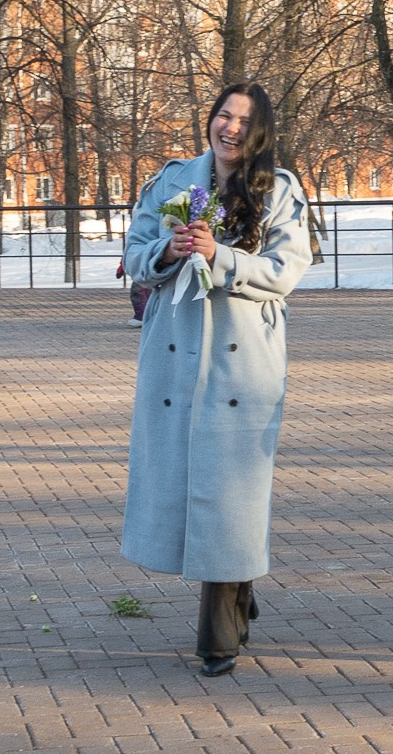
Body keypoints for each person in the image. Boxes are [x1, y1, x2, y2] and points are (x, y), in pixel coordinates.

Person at [121, 83, 314, 676]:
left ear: (260, 132)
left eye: (243, 121)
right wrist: (170, 249)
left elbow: (285, 271)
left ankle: (218, 636)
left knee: (231, 491)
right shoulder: (173, 181)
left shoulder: (278, 191)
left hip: (241, 358)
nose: (229, 128)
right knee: (189, 484)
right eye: (222, 115)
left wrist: (219, 256)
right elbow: (132, 257)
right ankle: (237, 584)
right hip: (175, 355)